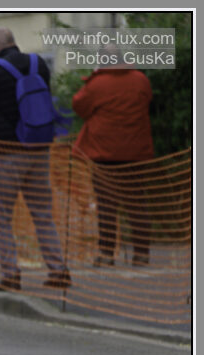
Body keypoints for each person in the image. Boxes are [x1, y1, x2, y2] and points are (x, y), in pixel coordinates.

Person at [0, 27, 70, 291]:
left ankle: (11, 274)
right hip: (38, 148)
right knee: (43, 213)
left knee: (2, 217)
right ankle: (58, 270)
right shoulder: (39, 64)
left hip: (6, 153)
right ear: (14, 43)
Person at [72, 47, 154, 267]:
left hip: (104, 153)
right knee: (137, 204)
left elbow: (79, 105)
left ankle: (107, 254)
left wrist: (94, 75)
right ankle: (141, 254)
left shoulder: (97, 85)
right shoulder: (141, 80)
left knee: (107, 205)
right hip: (136, 153)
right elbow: (148, 100)